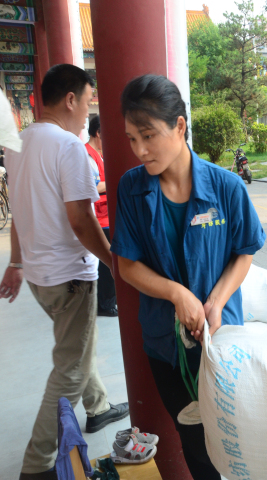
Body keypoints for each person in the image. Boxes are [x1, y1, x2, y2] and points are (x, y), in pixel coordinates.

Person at [111, 74, 265, 480]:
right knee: (194, 441)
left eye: (148, 135)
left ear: (180, 126)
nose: (140, 150)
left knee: (234, 436)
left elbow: (245, 251)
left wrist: (215, 300)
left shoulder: (227, 188)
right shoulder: (131, 190)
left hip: (221, 343)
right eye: (131, 139)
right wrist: (177, 294)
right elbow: (126, 265)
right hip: (166, 345)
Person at [0, 64, 129, 480]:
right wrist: (114, 261)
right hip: (70, 276)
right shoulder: (69, 147)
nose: (87, 111)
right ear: (71, 100)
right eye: (88, 101)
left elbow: (18, 212)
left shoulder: (18, 143)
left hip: (39, 276)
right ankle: (37, 466)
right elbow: (80, 219)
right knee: (69, 369)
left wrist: (16, 262)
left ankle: (98, 405)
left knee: (75, 348)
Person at [85, 115, 118, 317]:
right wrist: (115, 182)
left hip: (106, 216)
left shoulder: (98, 154)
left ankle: (106, 301)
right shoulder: (88, 157)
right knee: (107, 266)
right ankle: (105, 304)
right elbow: (92, 187)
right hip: (100, 217)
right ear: (98, 133)